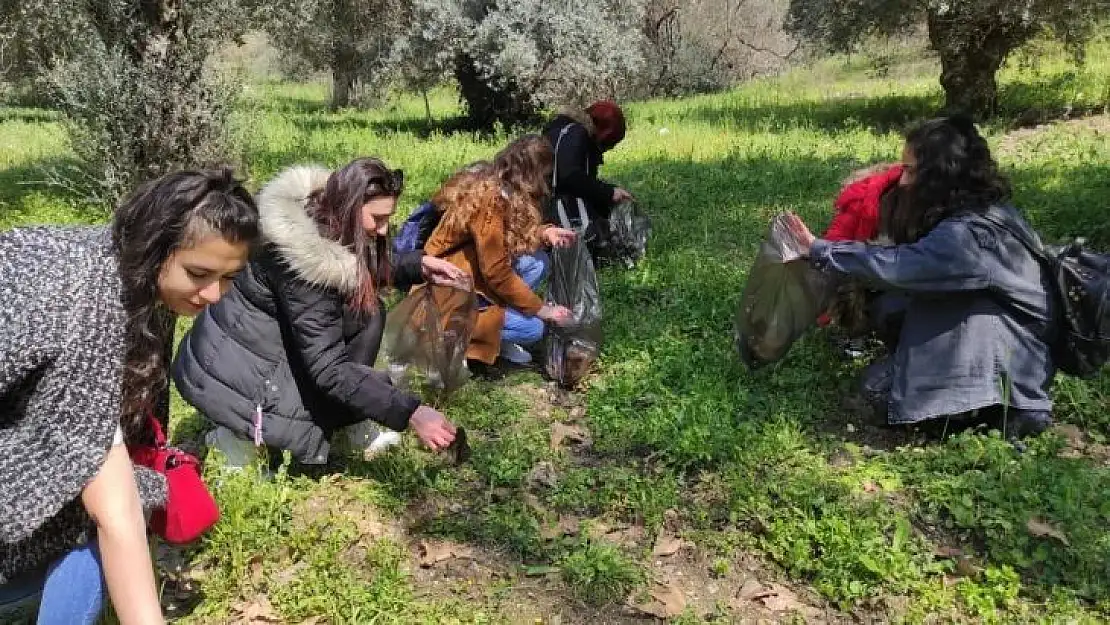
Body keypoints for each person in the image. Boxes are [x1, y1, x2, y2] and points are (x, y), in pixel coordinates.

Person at [0, 169, 260, 624]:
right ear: (156, 245)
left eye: (230, 277)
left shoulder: (141, 283)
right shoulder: (81, 296)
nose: (214, 294)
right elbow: (113, 501)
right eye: (199, 273)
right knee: (107, 516)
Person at [173, 158, 463, 469]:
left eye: (387, 219)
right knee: (344, 340)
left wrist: (415, 265)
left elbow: (356, 261)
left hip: (259, 346)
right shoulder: (304, 263)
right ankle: (234, 437)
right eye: (376, 219)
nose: (383, 230)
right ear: (349, 206)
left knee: (367, 311)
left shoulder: (327, 213)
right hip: (236, 368)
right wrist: (411, 412)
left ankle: (351, 418)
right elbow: (329, 369)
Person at [784, 115, 1055, 438]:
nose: (901, 181)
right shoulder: (981, 212)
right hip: (1003, 340)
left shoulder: (967, 237)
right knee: (888, 306)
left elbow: (901, 266)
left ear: (940, 175)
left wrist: (820, 249)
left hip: (1013, 368)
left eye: (911, 171)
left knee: (878, 391)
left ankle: (996, 409)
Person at [424, 135, 577, 368]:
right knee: (534, 329)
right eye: (544, 175)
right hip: (449, 289)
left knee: (537, 262)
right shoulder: (488, 200)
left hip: (472, 275)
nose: (545, 183)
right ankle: (461, 340)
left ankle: (495, 331)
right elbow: (496, 271)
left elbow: (513, 233)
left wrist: (545, 233)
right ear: (532, 174)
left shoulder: (502, 188)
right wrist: (542, 309)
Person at [543, 101, 634, 253]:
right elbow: (570, 177)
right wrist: (609, 193)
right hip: (558, 211)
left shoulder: (559, 130)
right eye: (608, 145)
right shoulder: (577, 134)